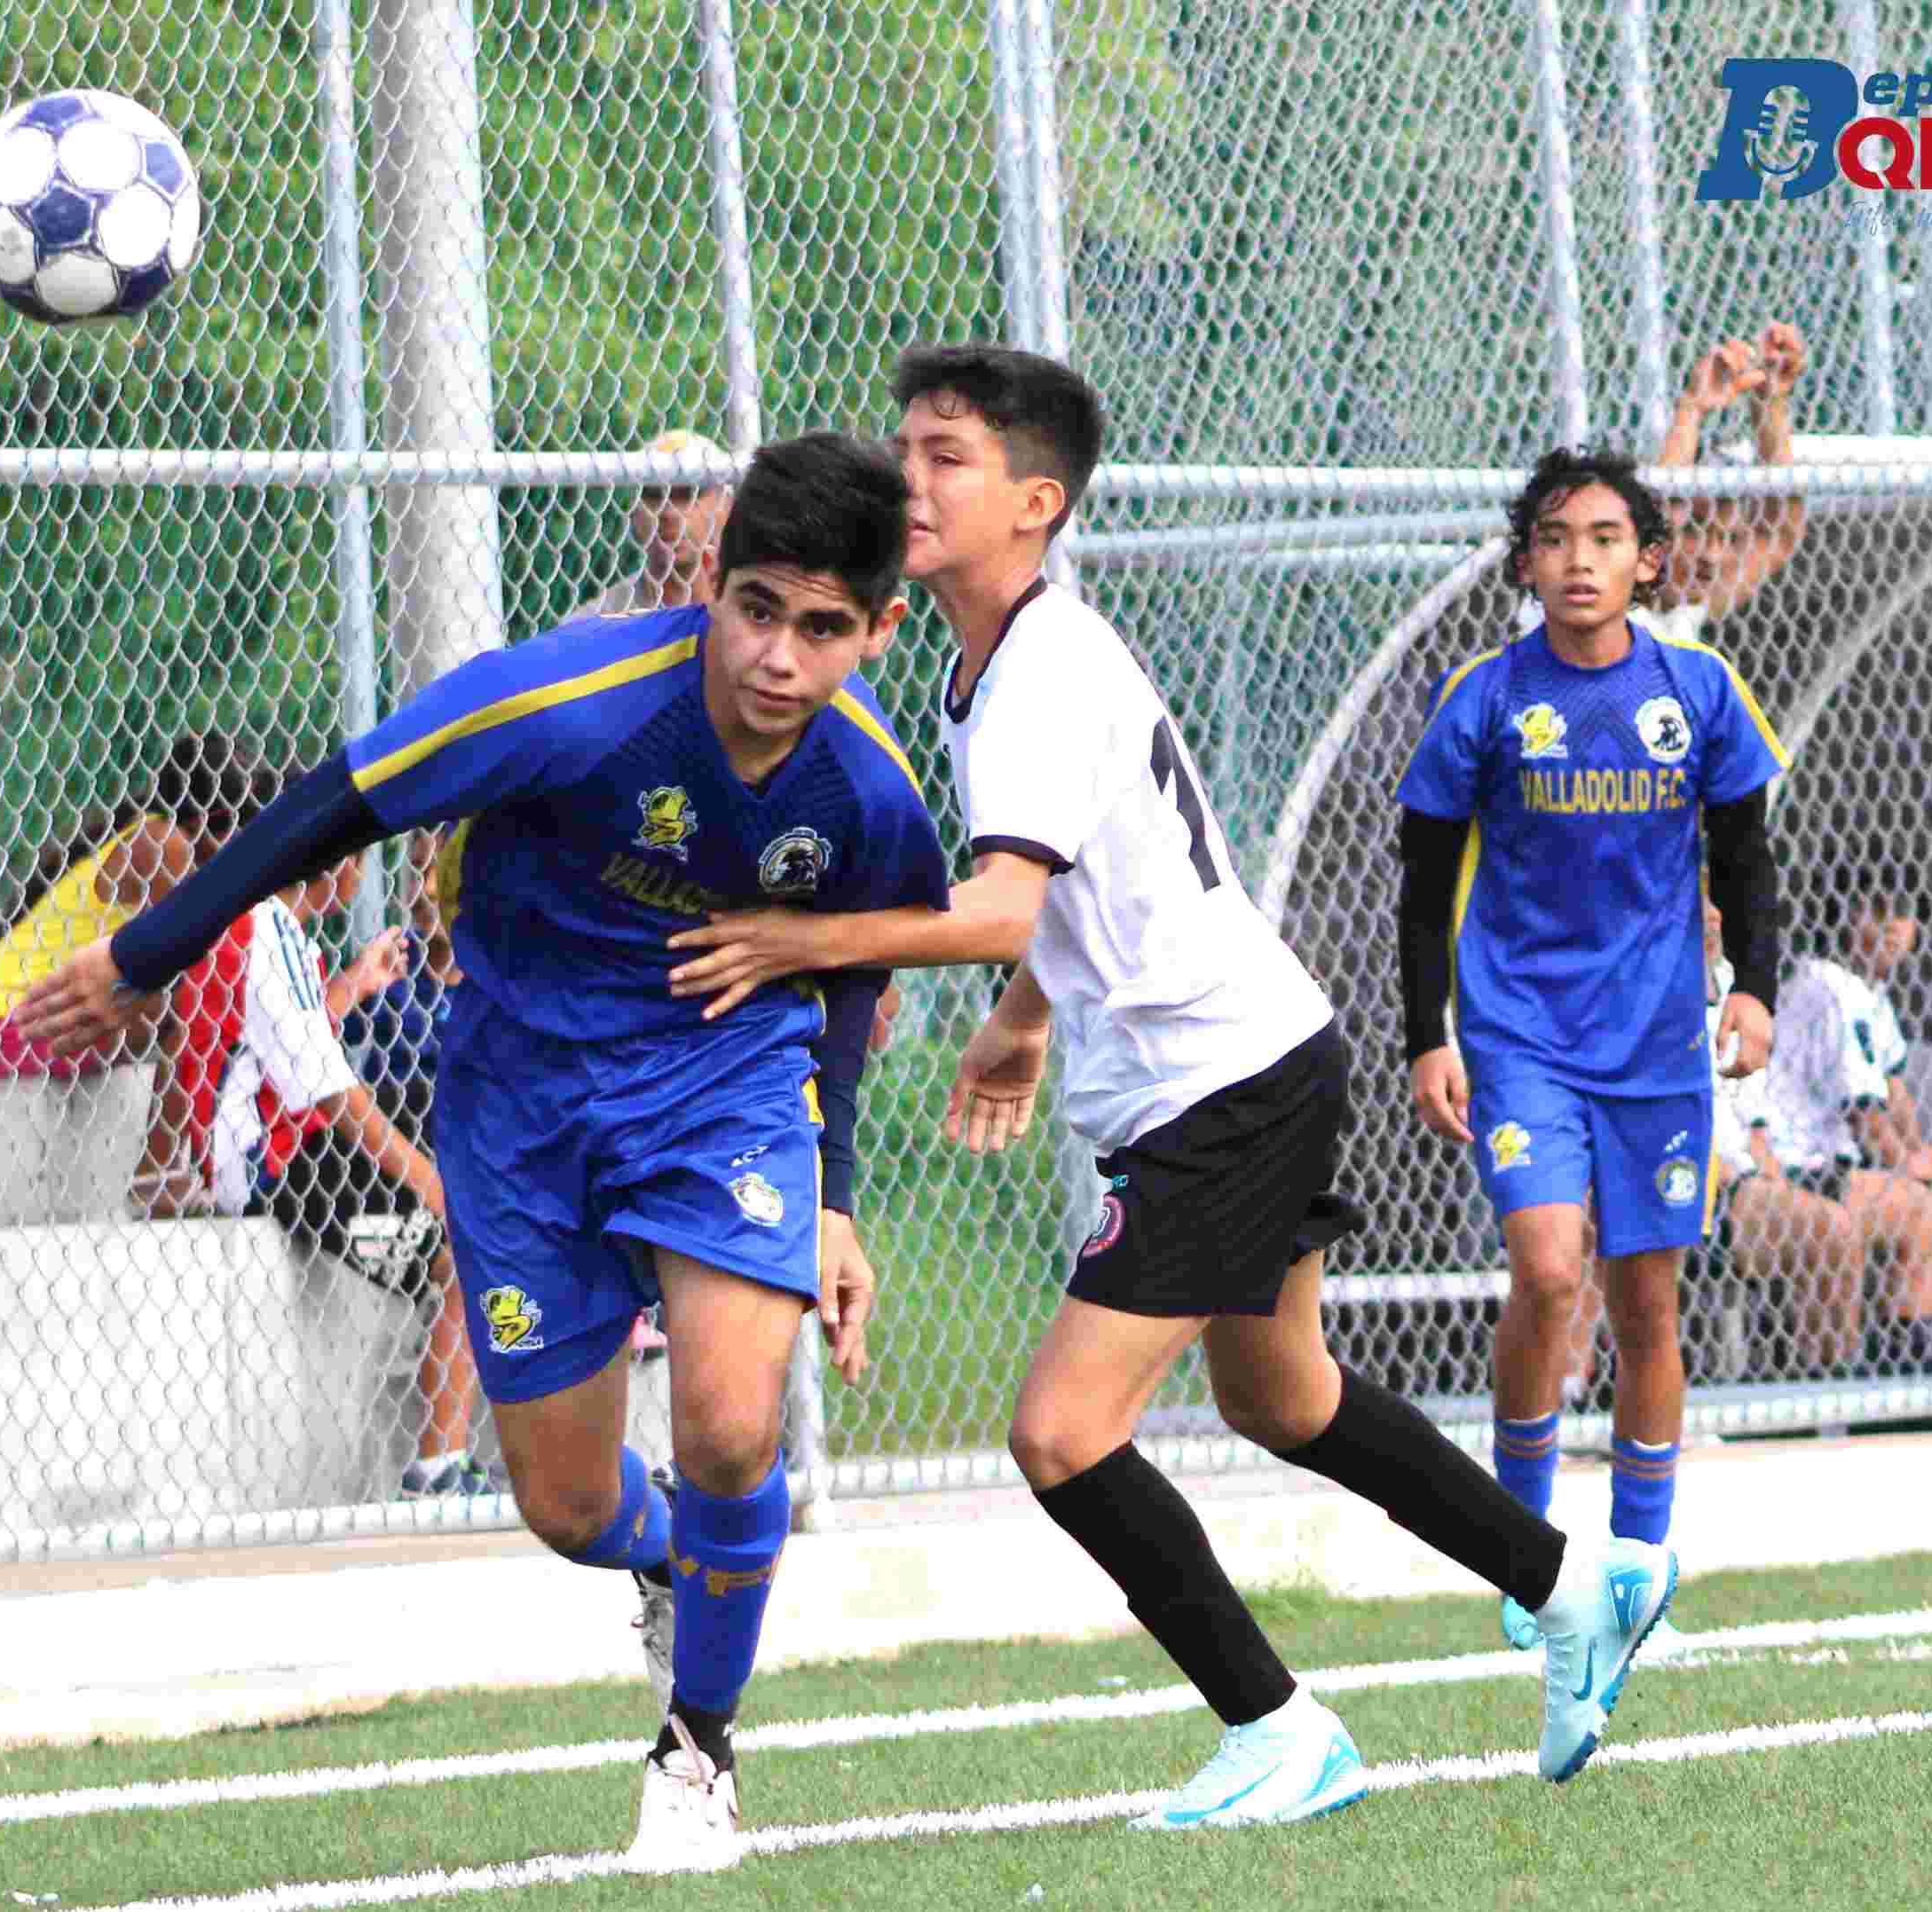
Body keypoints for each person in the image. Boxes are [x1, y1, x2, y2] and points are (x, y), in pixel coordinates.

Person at [665, 346, 1677, 1822]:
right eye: (903, 448)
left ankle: (1278, 1726)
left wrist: (792, 940)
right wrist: (1020, 1021)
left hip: (1220, 1084)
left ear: (1036, 500)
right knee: (1284, 1396)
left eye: (944, 456)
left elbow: (1005, 903)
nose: (908, 479)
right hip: (1245, 1055)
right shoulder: (994, 660)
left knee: (1060, 1435)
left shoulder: (1035, 672)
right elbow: (1063, 892)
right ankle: (1572, 1581)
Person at [17, 432, 949, 1874]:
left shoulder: (872, 795)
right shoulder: (569, 704)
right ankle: (665, 1563)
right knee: (569, 1502)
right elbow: (338, 795)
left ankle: (697, 1749)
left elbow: (856, 983)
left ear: (880, 630)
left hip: (723, 1091)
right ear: (711, 582)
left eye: (822, 627)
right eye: (755, 606)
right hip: (519, 1108)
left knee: (724, 1421)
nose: (776, 653)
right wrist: (147, 953)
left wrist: (834, 1198)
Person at [1391, 445, 1786, 1652]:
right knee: (1550, 1268)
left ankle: (1637, 1569)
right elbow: (1419, 884)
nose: (1581, 559)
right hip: (1519, 1038)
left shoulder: (1699, 692)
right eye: (1557, 538)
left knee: (1647, 1297)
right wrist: (1427, 1036)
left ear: (1647, 561)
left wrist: (1756, 988)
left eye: (1606, 538)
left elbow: (1746, 857)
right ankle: (1522, 1553)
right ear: (1525, 563)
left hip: (1659, 1043)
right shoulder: (1487, 698)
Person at [200, 832, 487, 1499]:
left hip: (285, 1146)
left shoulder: (264, 922)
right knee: (471, 1237)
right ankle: (437, 1468)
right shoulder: (268, 924)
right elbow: (336, 1094)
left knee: (457, 1150)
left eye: (430, 874)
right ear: (337, 868)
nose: (412, 889)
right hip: (272, 1164)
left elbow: (293, 1050)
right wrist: (433, 1187)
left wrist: (349, 985)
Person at [0, 734, 261, 1216]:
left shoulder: (156, 836)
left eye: (249, 824)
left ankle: (189, 1163)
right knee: (201, 987)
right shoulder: (163, 843)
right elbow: (215, 944)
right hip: (7, 1022)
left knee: (209, 990)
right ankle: (154, 1175)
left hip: (19, 1019)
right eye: (223, 823)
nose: (235, 838)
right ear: (188, 816)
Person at [1763, 877, 1932, 1374]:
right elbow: (1864, 1113)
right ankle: (1911, 1371)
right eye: (1878, 909)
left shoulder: (1873, 996)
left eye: (1905, 912)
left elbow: (1895, 1098)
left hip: (1838, 1162)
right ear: (1845, 917)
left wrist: (1927, 1157)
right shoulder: (1828, 987)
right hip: (1798, 1161)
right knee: (1919, 1213)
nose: (1896, 926)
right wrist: (1914, 1166)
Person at [1646, 324, 1809, 638]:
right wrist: (1691, 409)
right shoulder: (1606, 592)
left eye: (1730, 539)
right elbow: (1652, 510)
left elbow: (1778, 532)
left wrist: (1770, 401)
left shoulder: (1689, 606)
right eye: (1694, 530)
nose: (1712, 556)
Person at [559, 430, 732, 626]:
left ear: (727, 505)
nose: (669, 512)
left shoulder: (751, 606)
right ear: (634, 509)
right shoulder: (597, 623)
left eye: (688, 494)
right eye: (655, 494)